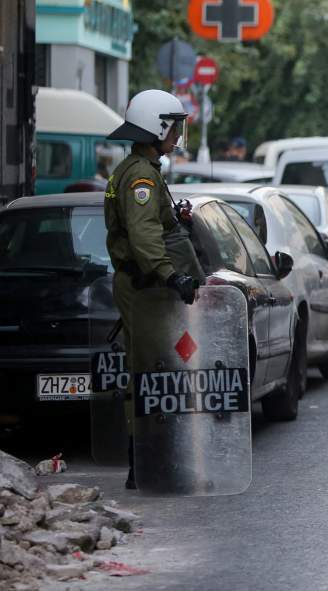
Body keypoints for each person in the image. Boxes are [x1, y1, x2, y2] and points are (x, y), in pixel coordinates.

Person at [103, 89, 204, 489]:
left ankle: (151, 458)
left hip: (145, 288)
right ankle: (145, 462)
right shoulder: (141, 177)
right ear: (155, 127)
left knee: (156, 369)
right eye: (173, 128)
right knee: (150, 374)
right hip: (144, 288)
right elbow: (144, 233)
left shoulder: (141, 170)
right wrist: (170, 274)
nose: (177, 136)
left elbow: (150, 225)